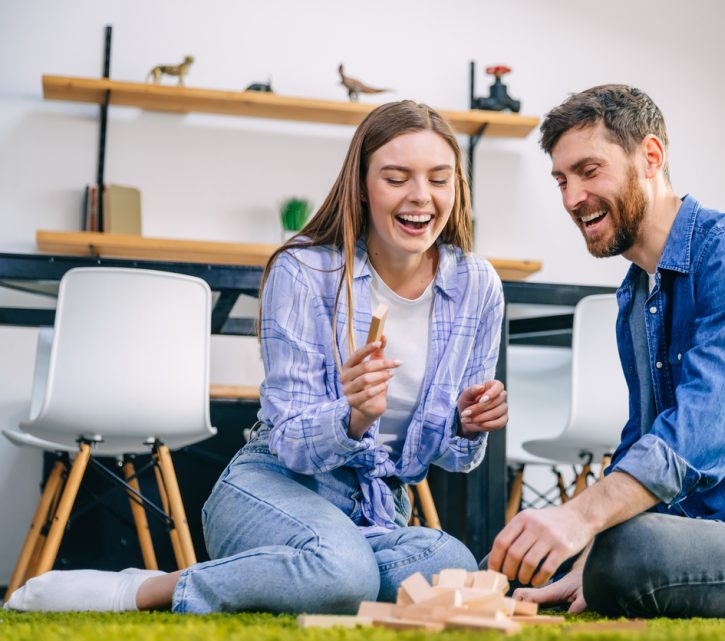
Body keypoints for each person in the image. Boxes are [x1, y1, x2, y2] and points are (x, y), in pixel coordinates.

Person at [5, 100, 508, 614]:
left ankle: (307, 578)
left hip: (375, 509)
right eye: (396, 178)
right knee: (344, 571)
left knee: (456, 568)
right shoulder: (305, 271)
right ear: (361, 186)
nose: (420, 197)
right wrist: (352, 416)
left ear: (457, 189)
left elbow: (452, 457)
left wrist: (470, 426)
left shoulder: (477, 285)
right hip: (271, 487)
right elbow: (290, 442)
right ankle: (147, 589)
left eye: (439, 179)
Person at [488, 85, 725, 618]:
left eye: (589, 171)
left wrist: (584, 519)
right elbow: (645, 436)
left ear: (651, 157)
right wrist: (586, 554)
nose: (572, 198)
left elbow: (703, 430)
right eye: (562, 180)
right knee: (578, 555)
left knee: (623, 549)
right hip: (705, 530)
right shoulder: (635, 294)